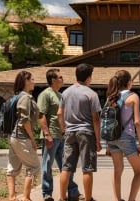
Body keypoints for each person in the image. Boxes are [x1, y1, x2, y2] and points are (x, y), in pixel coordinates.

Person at [37, 69, 84, 201]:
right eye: (60, 77)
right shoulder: (45, 94)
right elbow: (41, 115)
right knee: (47, 165)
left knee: (67, 166)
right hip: (51, 135)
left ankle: (72, 192)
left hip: (62, 136)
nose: (63, 79)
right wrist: (47, 134)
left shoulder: (60, 95)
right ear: (53, 80)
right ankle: (47, 194)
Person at [57, 63, 102, 201]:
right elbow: (95, 118)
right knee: (87, 168)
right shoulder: (91, 94)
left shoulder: (65, 93)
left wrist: (64, 130)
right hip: (86, 133)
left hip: (69, 132)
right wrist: (98, 140)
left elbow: (59, 113)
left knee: (66, 167)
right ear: (88, 77)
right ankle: (88, 198)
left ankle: (62, 198)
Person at [106, 70, 140, 201]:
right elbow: (137, 122)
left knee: (118, 169)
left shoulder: (110, 97)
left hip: (112, 138)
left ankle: (118, 199)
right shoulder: (133, 97)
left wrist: (107, 145)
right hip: (126, 137)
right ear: (129, 82)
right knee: (139, 171)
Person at [6, 70, 40, 201]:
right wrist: (32, 139)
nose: (34, 82)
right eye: (32, 79)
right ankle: (26, 198)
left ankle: (12, 197)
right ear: (26, 81)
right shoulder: (25, 97)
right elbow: (24, 120)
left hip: (14, 136)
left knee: (12, 168)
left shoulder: (17, 95)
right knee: (34, 166)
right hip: (22, 137)